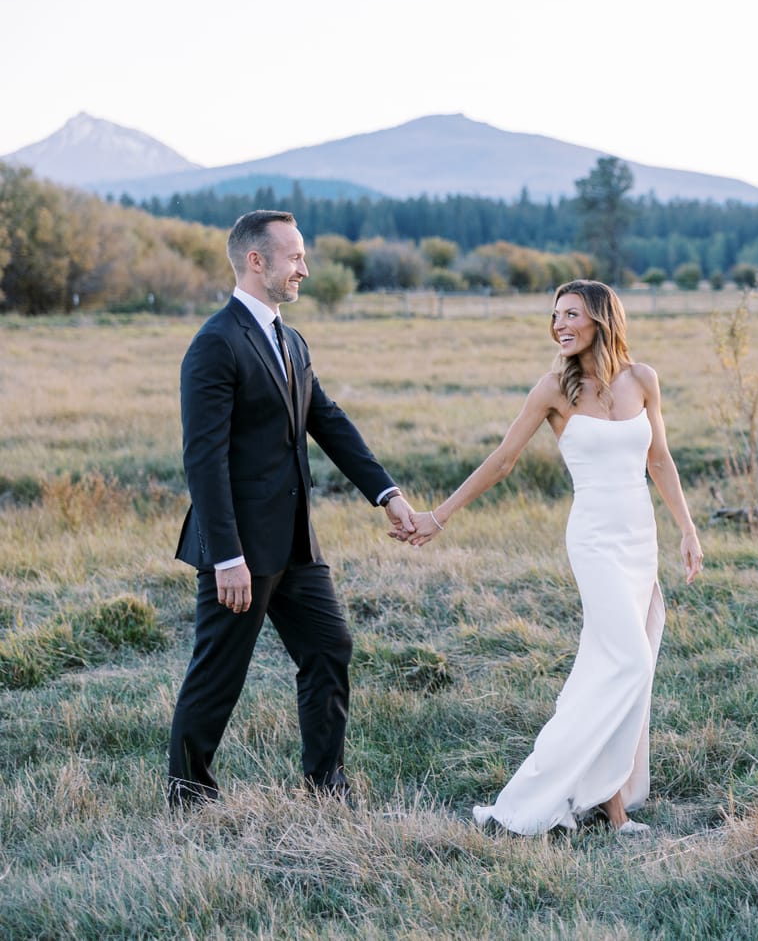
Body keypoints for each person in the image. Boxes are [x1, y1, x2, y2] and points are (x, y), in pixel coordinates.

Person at [403, 279, 702, 836]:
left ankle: (614, 813)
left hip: (640, 539)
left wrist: (687, 529)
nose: (560, 325)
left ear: (602, 321)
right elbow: (501, 461)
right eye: (556, 315)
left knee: (613, 667)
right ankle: (538, 796)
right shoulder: (553, 389)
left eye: (572, 314)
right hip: (592, 539)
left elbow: (659, 459)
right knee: (629, 661)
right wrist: (437, 517)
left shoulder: (643, 380)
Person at [168, 210, 417, 808]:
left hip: (298, 544)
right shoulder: (215, 343)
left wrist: (387, 493)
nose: (304, 267)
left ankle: (324, 785)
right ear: (258, 261)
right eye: (295, 256)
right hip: (240, 550)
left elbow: (325, 419)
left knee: (329, 649)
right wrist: (226, 556)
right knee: (219, 673)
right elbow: (204, 461)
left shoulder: (289, 337)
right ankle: (188, 792)